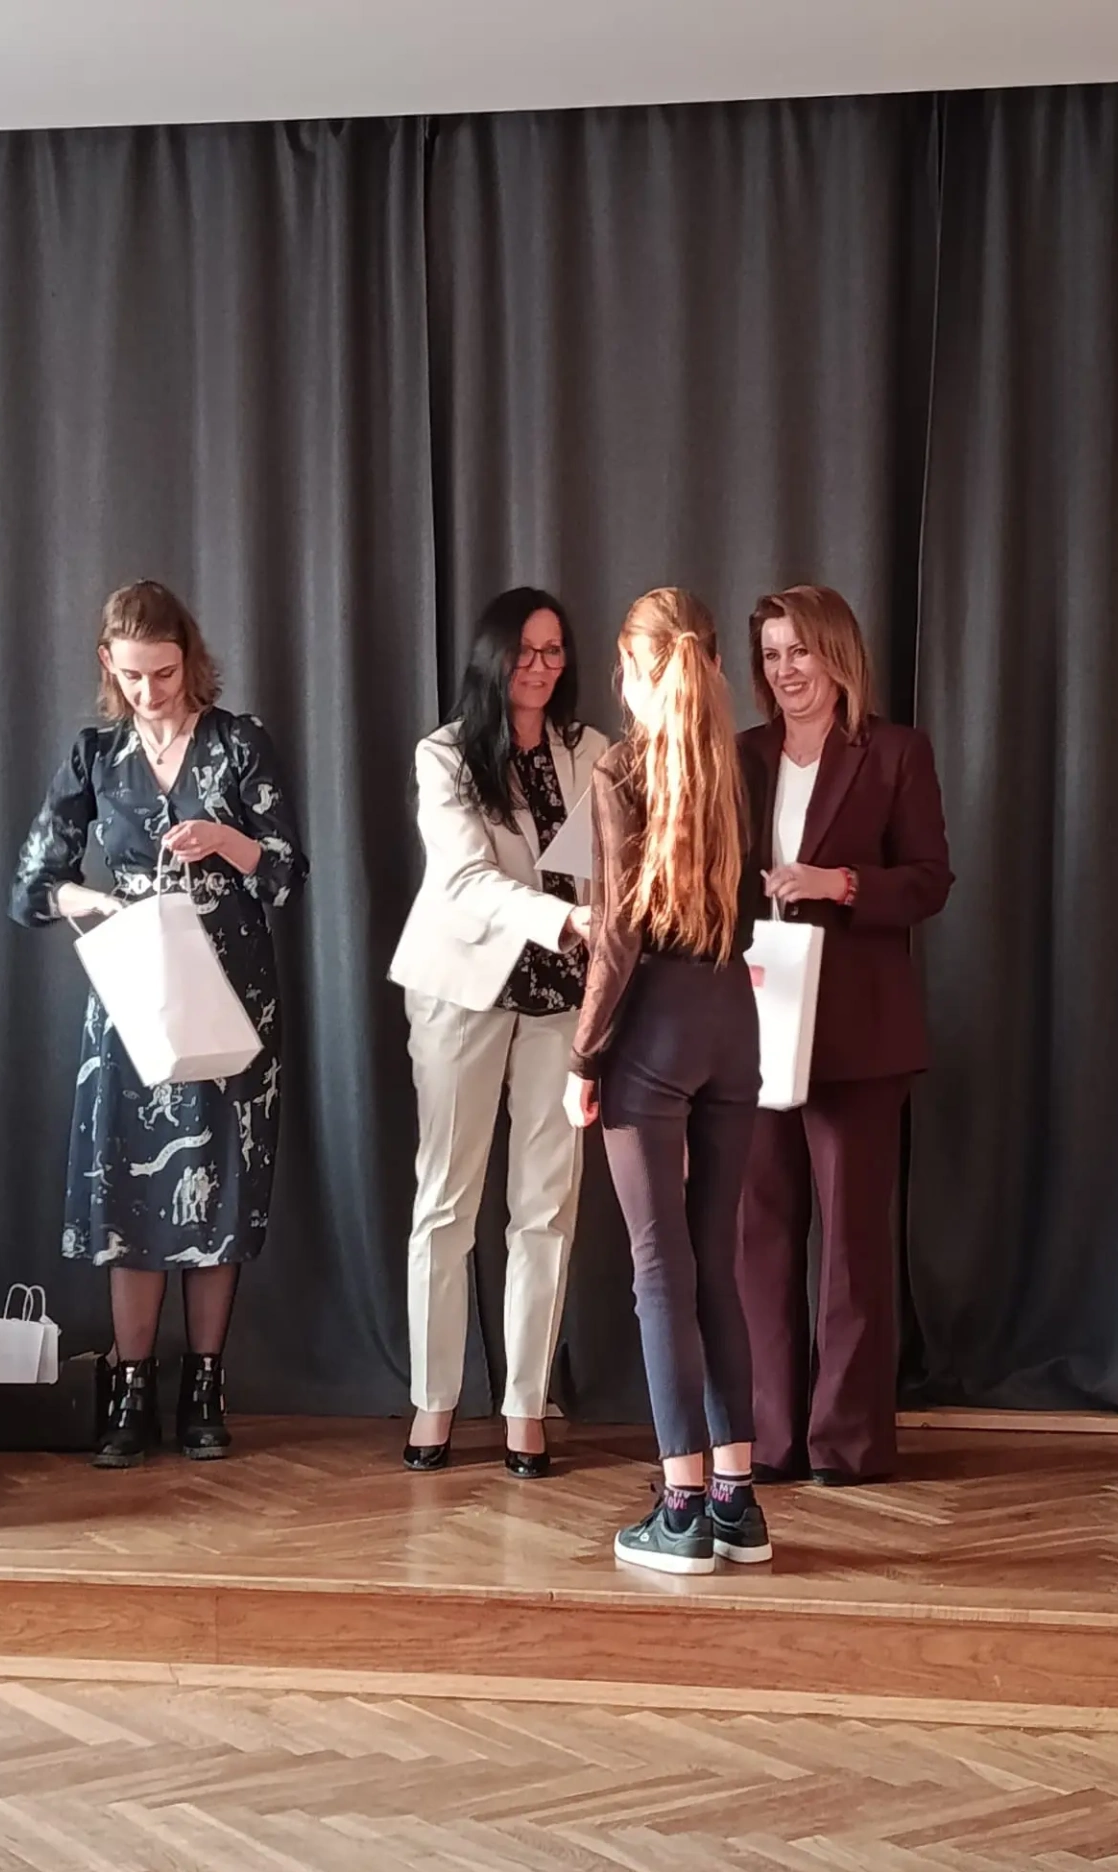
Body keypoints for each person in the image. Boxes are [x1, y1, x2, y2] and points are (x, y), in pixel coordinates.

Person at [10, 579, 307, 1468]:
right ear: (109, 663)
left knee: (221, 1184)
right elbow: (32, 885)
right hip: (135, 993)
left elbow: (287, 872)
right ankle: (130, 1387)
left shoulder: (239, 743)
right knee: (127, 1194)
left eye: (165, 673)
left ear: (190, 658)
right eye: (133, 675)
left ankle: (205, 1387)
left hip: (232, 990)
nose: (149, 691)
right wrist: (98, 902)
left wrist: (223, 840)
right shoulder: (96, 753)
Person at [564, 588, 771, 1576]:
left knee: (659, 1271)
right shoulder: (742, 764)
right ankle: (737, 1501)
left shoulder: (620, 768)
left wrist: (583, 1058)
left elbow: (616, 938)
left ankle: (681, 1509)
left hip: (655, 1030)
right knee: (716, 1264)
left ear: (634, 672)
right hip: (736, 1018)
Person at [736, 585, 952, 1486]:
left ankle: (847, 1444)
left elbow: (931, 880)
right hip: (755, 1026)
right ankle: (769, 1440)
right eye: (771, 654)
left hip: (860, 1034)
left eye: (800, 651)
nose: (786, 670)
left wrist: (843, 884)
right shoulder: (740, 755)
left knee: (853, 1250)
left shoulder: (895, 752)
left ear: (837, 654)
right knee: (758, 1237)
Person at [389, 588, 608, 1477]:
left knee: (545, 1208)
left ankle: (525, 1407)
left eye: (553, 651)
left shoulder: (593, 751)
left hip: (563, 998)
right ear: (491, 656)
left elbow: (613, 865)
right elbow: (463, 880)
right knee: (446, 1203)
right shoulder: (445, 754)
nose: (540, 666)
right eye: (524, 650)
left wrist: (604, 921)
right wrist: (566, 921)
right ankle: (433, 1402)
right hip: (462, 992)